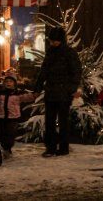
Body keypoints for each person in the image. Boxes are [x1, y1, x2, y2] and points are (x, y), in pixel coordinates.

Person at [35, 26, 83, 157]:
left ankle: (62, 147)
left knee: (63, 121)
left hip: (63, 92)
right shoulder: (51, 52)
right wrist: (38, 87)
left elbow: (76, 72)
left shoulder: (69, 53)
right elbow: (43, 71)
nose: (53, 43)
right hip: (52, 91)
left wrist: (71, 88)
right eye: (52, 40)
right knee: (50, 121)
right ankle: (51, 147)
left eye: (54, 40)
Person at [0, 73, 36, 157]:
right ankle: (5, 148)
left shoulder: (17, 94)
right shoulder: (0, 93)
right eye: (6, 81)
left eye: (10, 81)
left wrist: (34, 95)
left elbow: (26, 97)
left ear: (14, 83)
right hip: (1, 117)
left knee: (10, 134)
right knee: (2, 134)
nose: (8, 83)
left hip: (13, 118)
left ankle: (8, 147)